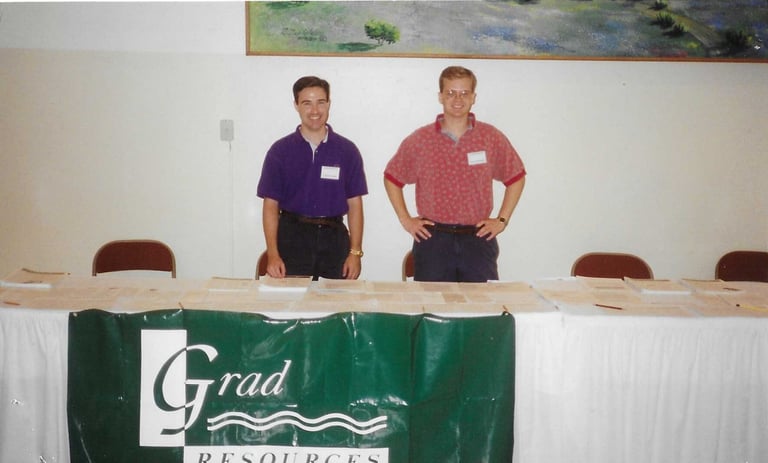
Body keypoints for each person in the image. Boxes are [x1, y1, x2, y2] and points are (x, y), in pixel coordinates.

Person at [384, 66, 526, 282]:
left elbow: (516, 177)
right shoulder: (421, 140)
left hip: (478, 239)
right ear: (440, 96)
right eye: (451, 93)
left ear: (473, 97)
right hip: (433, 240)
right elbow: (392, 178)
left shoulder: (490, 137)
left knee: (481, 302)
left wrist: (501, 220)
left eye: (464, 93)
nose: (457, 99)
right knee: (432, 301)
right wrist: (406, 220)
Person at [257, 76, 367, 280]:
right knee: (292, 300)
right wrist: (272, 254)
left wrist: (355, 253)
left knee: (336, 299)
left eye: (321, 102)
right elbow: (270, 206)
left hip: (334, 241)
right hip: (292, 239)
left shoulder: (347, 151)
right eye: (307, 103)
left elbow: (355, 205)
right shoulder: (280, 151)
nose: (315, 110)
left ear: (329, 104)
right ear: (296, 105)